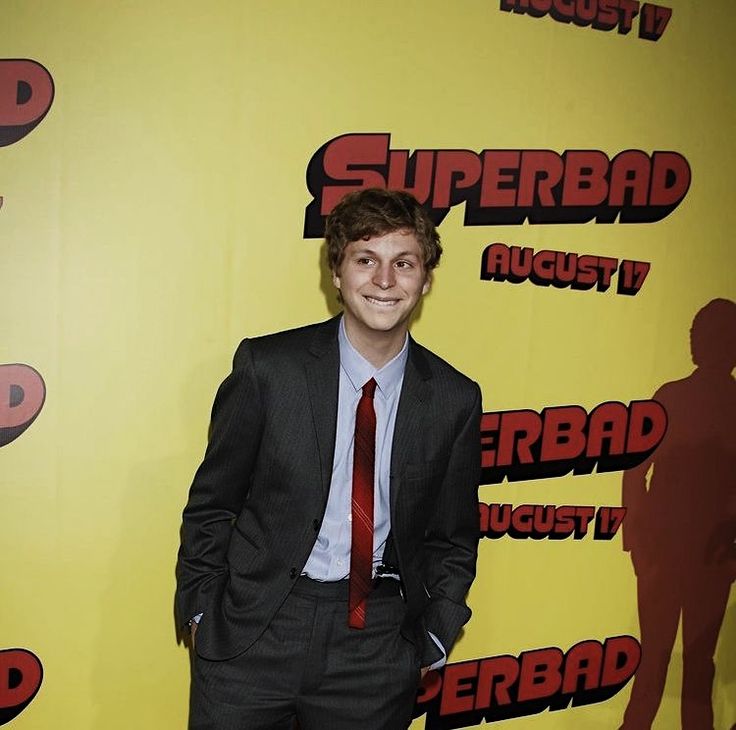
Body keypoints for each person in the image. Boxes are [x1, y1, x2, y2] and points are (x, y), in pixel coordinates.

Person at [175, 188, 482, 730]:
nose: (385, 281)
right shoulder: (269, 369)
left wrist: (435, 630)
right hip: (255, 627)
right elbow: (212, 505)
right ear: (336, 274)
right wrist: (203, 612)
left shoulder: (454, 398)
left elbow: (452, 537)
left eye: (403, 263)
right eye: (366, 260)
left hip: (377, 646)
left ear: (425, 279)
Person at [619, 298, 736, 730]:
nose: (696, 342)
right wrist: (638, 545)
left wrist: (639, 545)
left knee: (672, 667)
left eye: (704, 334)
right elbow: (635, 469)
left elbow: (634, 470)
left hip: (694, 558)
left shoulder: (674, 397)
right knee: (672, 667)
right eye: (697, 333)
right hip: (676, 558)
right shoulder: (673, 397)